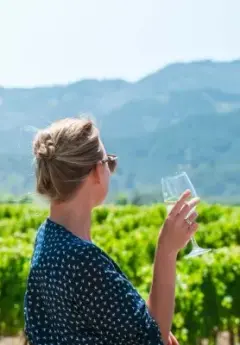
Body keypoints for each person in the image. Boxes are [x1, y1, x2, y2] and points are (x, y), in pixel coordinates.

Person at [24, 117, 199, 345]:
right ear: (97, 171)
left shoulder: (47, 237)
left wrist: (151, 326)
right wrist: (167, 249)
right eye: (110, 162)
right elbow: (152, 340)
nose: (110, 169)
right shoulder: (81, 260)